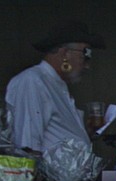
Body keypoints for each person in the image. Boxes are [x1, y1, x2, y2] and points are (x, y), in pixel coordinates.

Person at [6, 20, 106, 153]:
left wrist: (85, 135)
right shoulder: (33, 80)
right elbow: (28, 146)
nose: (87, 66)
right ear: (65, 54)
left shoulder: (57, 85)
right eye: (85, 56)